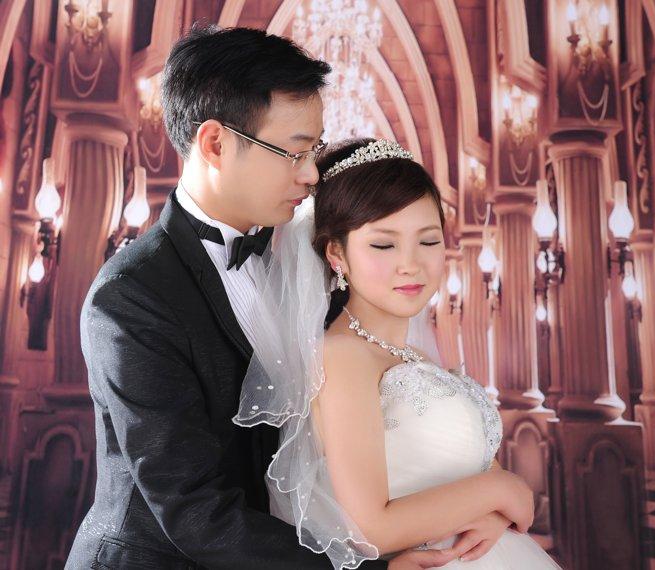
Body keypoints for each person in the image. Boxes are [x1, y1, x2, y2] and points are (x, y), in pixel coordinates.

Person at [67, 26, 450, 569]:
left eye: (315, 150)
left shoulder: (309, 259)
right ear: (215, 144)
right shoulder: (130, 300)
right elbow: (195, 513)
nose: (311, 174)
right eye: (294, 152)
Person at [238, 138, 562, 569]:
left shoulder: (413, 356)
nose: (410, 264)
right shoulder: (342, 357)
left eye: (428, 241)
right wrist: (505, 491)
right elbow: (371, 527)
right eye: (383, 245)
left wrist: (496, 511)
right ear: (337, 253)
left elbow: (474, 473)